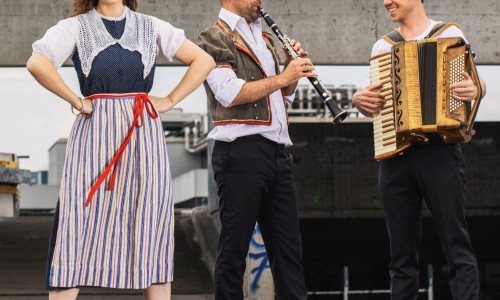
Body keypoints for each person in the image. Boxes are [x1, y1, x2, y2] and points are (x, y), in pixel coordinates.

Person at [26, 0, 215, 299]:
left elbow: (204, 60)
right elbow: (37, 62)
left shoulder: (151, 26)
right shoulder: (75, 27)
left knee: (150, 219)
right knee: (77, 218)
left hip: (143, 135)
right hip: (93, 134)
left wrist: (170, 100)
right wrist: (76, 100)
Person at [352, 0, 487, 299]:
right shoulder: (382, 47)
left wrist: (475, 90)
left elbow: (473, 87)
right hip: (395, 156)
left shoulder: (449, 34)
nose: (387, 2)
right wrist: (359, 100)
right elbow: (374, 103)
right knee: (401, 256)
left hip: (440, 152)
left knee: (456, 245)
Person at [197, 0, 315, 299]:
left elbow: (280, 98)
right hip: (240, 152)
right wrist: (283, 77)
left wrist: (291, 71)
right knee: (234, 251)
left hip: (278, 152)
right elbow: (229, 93)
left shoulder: (265, 40)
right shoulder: (214, 37)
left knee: (289, 253)